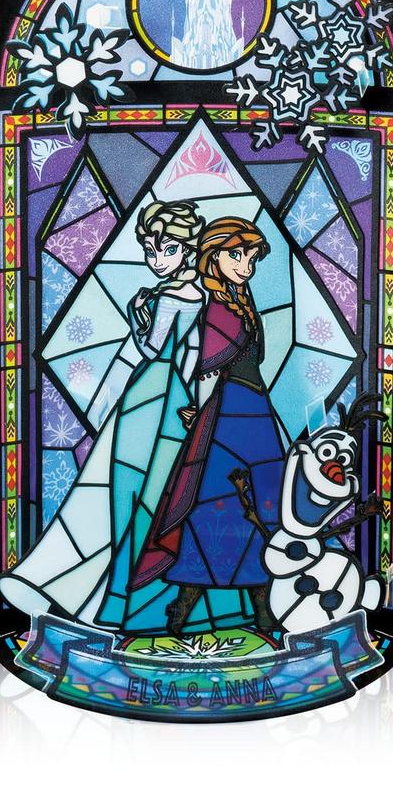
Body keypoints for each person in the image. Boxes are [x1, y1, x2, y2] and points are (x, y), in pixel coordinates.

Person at [0, 201, 251, 632]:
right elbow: (197, 357)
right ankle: (119, 601)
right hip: (179, 399)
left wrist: (139, 316)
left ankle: (100, 598)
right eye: (151, 251)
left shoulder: (171, 296)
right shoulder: (206, 297)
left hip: (150, 397)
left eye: (168, 249)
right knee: (154, 496)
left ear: (189, 250)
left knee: (121, 493)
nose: (157, 260)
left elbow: (152, 348)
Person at [130, 216, 285, 633]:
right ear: (212, 256)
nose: (245, 266)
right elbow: (207, 367)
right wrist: (199, 410)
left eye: (251, 259)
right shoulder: (215, 306)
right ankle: (183, 611)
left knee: (262, 504)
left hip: (254, 412)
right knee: (216, 504)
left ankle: (262, 608)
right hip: (228, 416)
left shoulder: (239, 298)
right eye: (237, 256)